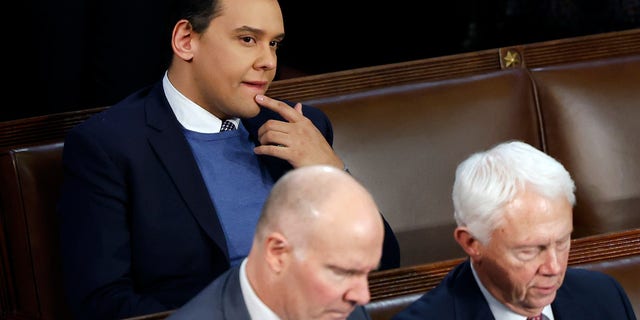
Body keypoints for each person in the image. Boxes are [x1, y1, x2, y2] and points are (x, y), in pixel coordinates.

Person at [56, 0, 400, 318]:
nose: (268, 61)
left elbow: (383, 264)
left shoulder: (299, 126)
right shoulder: (109, 146)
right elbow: (102, 304)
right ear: (186, 40)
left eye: (274, 43)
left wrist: (332, 173)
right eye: (248, 39)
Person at [393, 141, 637, 320]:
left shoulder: (604, 296)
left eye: (562, 242)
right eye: (530, 250)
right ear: (472, 243)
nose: (554, 268)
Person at [167, 165, 382, 320]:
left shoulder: (343, 309)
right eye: (342, 272)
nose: (363, 296)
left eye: (367, 273)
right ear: (277, 254)